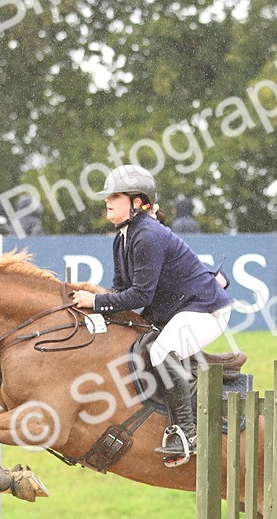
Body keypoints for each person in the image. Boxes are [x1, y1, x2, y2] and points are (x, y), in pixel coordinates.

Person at [70, 165, 232, 462]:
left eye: (115, 196)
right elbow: (121, 290)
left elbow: (141, 295)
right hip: (180, 311)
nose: (107, 200)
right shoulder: (122, 237)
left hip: (206, 310)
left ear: (137, 202)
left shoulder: (148, 235)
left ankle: (188, 433)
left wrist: (95, 301)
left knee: (161, 352)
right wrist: (95, 309)